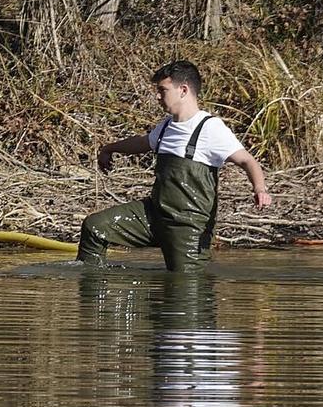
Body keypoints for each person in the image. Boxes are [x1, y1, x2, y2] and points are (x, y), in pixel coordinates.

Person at [79, 59, 272, 270]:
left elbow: (247, 160)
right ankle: (96, 288)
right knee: (95, 227)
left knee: (185, 288)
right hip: (153, 215)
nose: (158, 96)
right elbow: (142, 142)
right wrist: (109, 148)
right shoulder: (166, 127)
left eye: (163, 90)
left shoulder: (210, 128)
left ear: (183, 90)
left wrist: (259, 188)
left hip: (187, 226)